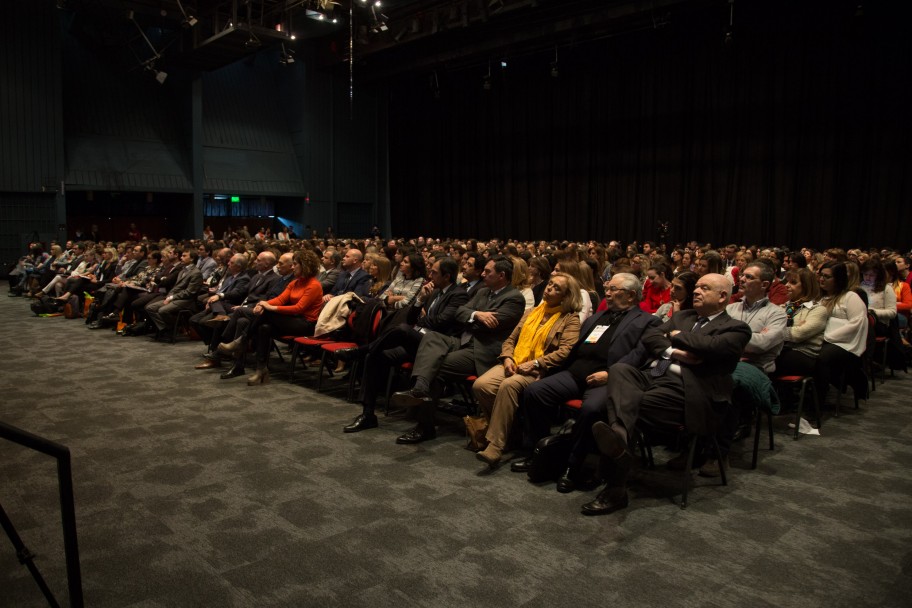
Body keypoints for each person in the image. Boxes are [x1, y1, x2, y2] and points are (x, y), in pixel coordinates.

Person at [581, 273, 751, 516]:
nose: (696, 291)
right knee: (620, 370)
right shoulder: (684, 315)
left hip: (686, 390)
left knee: (622, 407)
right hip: (654, 376)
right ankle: (618, 437)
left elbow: (712, 347)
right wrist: (675, 352)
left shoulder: (736, 328)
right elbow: (650, 336)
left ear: (723, 296)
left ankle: (615, 487)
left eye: (704, 288)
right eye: (697, 287)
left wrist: (675, 335)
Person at [517, 273, 662, 491]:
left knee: (592, 409)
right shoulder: (598, 317)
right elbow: (573, 351)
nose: (608, 293)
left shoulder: (647, 321)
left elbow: (640, 356)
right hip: (575, 374)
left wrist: (611, 374)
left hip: (607, 380)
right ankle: (538, 453)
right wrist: (545, 368)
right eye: (608, 288)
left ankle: (572, 467)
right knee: (535, 391)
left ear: (631, 295)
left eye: (614, 289)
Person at [389, 256, 525, 444]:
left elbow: (489, 326)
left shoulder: (514, 298)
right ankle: (419, 388)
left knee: (435, 366)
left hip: (481, 350)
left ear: (502, 275)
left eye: (487, 272)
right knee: (432, 337)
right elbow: (459, 313)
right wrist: (477, 314)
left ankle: (424, 424)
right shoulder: (483, 292)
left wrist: (470, 319)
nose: (483, 274)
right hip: (462, 341)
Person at [343, 257, 470, 433]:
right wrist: (419, 301)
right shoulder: (432, 292)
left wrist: (423, 319)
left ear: (447, 276)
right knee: (375, 356)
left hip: (437, 346)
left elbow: (441, 322)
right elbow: (412, 318)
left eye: (433, 272)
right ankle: (368, 414)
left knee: (402, 329)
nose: (430, 275)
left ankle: (359, 351)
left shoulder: (459, 294)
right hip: (418, 343)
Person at [472, 273, 583, 467]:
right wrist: (507, 358)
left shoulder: (570, 319)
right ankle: (512, 432)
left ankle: (495, 446)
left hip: (540, 371)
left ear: (567, 296)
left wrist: (536, 363)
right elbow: (510, 340)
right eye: (550, 284)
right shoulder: (532, 312)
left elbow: (566, 351)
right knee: (481, 385)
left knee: (508, 385)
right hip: (515, 362)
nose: (549, 289)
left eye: (557, 288)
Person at [217, 250, 323, 384]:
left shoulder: (314, 285)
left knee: (265, 313)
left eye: (295, 264)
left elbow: (299, 308)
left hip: (305, 323)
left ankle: (241, 341)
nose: (293, 267)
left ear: (305, 265)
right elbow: (280, 299)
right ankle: (261, 370)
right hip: (289, 321)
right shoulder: (295, 283)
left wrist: (269, 307)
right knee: (264, 327)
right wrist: (263, 304)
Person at [814, 262, 869, 405]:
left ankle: (818, 401)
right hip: (821, 339)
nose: (822, 279)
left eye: (827, 277)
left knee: (821, 357)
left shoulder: (851, 297)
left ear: (838, 279)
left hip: (845, 344)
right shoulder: (819, 298)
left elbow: (857, 323)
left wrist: (828, 337)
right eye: (821, 275)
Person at [774, 268, 827, 377]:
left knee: (766, 361)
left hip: (803, 354)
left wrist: (773, 332)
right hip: (781, 349)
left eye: (793, 282)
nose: (787, 285)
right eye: (787, 281)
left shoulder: (818, 310)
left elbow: (798, 334)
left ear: (806, 286)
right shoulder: (784, 307)